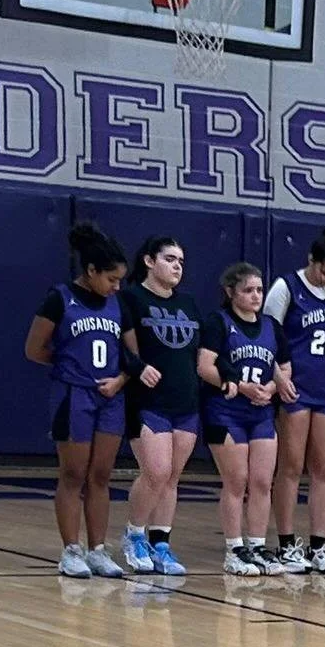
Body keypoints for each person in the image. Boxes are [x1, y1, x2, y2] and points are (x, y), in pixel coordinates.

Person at [24, 222, 134, 578]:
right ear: (91, 271)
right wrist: (70, 367)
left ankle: (98, 550)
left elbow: (132, 357)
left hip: (110, 398)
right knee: (73, 474)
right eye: (111, 279)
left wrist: (120, 380)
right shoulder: (60, 299)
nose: (116, 286)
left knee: (101, 475)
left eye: (120, 280)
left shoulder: (118, 304)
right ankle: (71, 551)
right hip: (73, 395)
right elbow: (34, 349)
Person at [265, 227, 325, 576]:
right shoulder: (285, 287)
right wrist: (278, 378)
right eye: (324, 272)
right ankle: (287, 544)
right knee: (291, 467)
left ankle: (318, 546)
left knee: (324, 469)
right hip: (296, 387)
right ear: (311, 260)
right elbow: (263, 336)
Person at [198, 262, 297, 577]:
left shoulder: (271, 327)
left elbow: (285, 367)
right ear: (231, 292)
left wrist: (271, 388)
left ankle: (256, 546)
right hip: (225, 411)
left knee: (262, 482)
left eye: (259, 290)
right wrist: (242, 387)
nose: (256, 296)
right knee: (236, 481)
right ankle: (234, 549)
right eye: (248, 290)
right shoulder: (219, 322)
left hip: (261, 412)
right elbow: (205, 366)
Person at [119, 235, 202, 577]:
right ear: (149, 261)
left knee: (172, 478)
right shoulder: (131, 298)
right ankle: (134, 535)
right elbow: (122, 347)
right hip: (148, 400)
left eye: (181, 261)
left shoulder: (189, 304)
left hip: (185, 400)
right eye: (169, 259)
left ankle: (161, 544)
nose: (177, 266)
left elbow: (198, 354)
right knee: (155, 472)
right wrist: (138, 368)